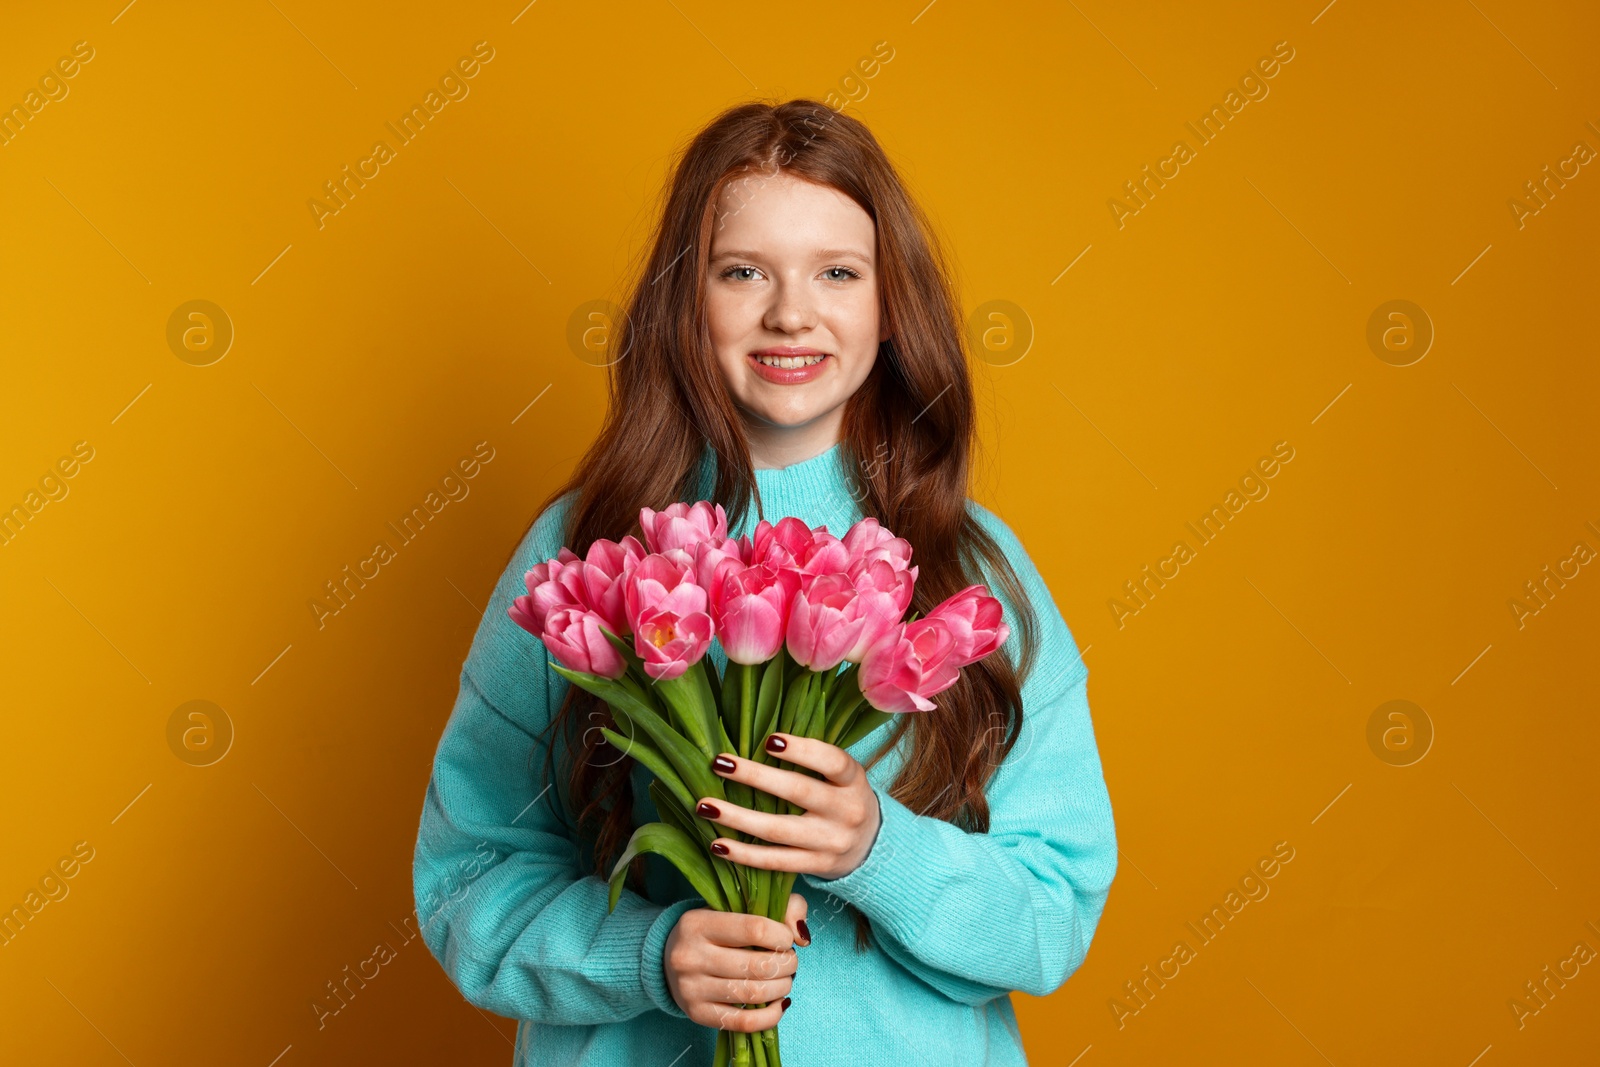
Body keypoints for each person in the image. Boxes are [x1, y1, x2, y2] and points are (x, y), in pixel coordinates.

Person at [412, 98, 1117, 1066]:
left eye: (837, 271)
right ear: (680, 300)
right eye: (741, 272)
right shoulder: (584, 555)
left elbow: (1051, 916)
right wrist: (648, 955)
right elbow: (468, 878)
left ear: (889, 306)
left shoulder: (972, 573)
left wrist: (878, 851)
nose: (791, 311)